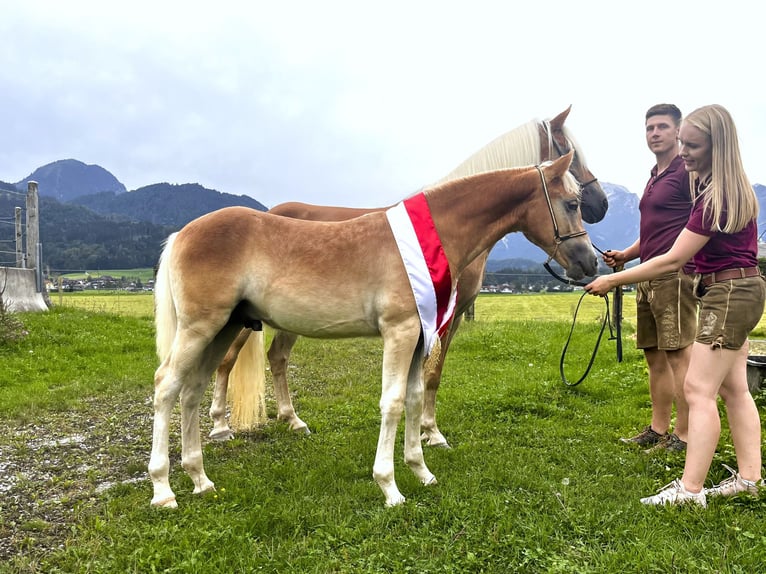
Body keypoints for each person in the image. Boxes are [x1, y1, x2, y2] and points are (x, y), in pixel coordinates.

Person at [585, 104, 765, 507]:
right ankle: (750, 479)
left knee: (698, 388)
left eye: (692, 144)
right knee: (735, 388)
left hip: (728, 294)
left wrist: (612, 278)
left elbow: (671, 259)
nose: (683, 151)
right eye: (683, 143)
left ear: (716, 146)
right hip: (740, 288)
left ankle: (690, 490)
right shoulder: (725, 187)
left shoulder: (714, 197)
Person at [605, 104, 696, 454]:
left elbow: (696, 226)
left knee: (678, 357)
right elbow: (655, 231)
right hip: (647, 276)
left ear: (678, 131)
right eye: (649, 128)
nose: (654, 133)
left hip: (673, 277)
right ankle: (658, 430)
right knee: (655, 357)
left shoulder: (686, 172)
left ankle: (685, 436)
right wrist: (627, 255)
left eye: (661, 127)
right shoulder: (654, 175)